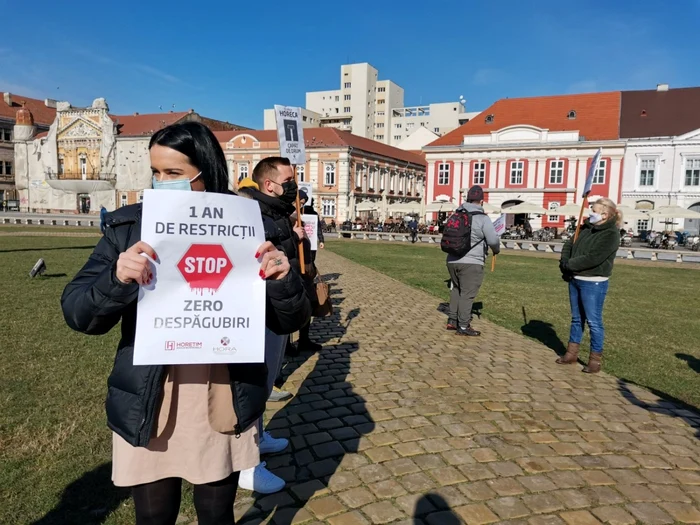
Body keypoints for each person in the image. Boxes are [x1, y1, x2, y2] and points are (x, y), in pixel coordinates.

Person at [61, 122, 310, 525]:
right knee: (154, 515)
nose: (162, 183)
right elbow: (77, 311)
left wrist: (282, 280)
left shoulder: (249, 226)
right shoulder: (127, 228)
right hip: (152, 394)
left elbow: (291, 321)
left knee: (216, 512)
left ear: (206, 171)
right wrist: (117, 279)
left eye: (174, 174)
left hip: (223, 391)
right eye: (156, 173)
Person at [557, 198, 622, 373]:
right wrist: (564, 262)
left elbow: (594, 257)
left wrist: (569, 264)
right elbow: (569, 245)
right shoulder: (585, 228)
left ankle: (595, 359)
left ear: (605, 214)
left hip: (594, 282)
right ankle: (571, 353)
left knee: (594, 321)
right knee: (577, 319)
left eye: (593, 210)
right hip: (575, 279)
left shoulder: (611, 234)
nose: (590, 213)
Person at [445, 185, 500, 336]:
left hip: (452, 259)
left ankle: (452, 320)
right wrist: (496, 250)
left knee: (457, 289)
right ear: (481, 201)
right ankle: (463, 326)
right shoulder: (482, 218)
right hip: (472, 261)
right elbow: (493, 240)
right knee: (468, 294)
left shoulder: (456, 214)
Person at [298, 190, 325, 261]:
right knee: (311, 260)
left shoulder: (311, 213)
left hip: (305, 240)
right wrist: (321, 240)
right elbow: (318, 228)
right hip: (309, 241)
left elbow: (318, 228)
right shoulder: (298, 212)